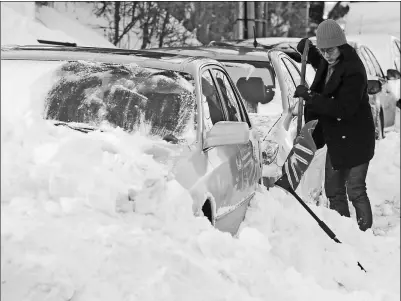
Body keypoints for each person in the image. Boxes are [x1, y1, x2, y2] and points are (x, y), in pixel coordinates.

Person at [294, 19, 375, 231]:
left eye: (330, 50)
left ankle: (364, 234)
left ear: (341, 45)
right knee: (333, 189)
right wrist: (308, 50)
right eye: (323, 51)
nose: (326, 55)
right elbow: (317, 62)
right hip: (337, 137)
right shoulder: (328, 61)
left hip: (357, 137)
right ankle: (346, 231)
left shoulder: (353, 70)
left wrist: (310, 97)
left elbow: (342, 109)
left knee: (355, 189)